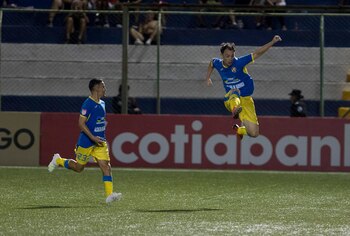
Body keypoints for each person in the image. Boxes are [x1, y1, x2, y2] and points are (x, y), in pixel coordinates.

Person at [48, 79, 122, 204]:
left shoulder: (102, 103)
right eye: (103, 86)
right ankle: (58, 160)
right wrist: (92, 137)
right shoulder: (87, 104)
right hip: (87, 141)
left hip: (100, 142)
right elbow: (81, 124)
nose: (105, 89)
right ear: (96, 88)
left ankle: (109, 196)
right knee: (79, 168)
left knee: (106, 167)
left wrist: (98, 136)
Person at [206, 35, 282, 139]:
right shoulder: (218, 63)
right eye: (227, 56)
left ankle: (239, 129)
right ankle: (235, 110)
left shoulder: (239, 63)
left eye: (232, 56)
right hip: (230, 99)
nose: (230, 59)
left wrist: (272, 42)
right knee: (234, 91)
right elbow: (211, 63)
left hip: (246, 100)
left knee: (254, 133)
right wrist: (208, 77)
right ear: (222, 55)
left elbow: (257, 53)